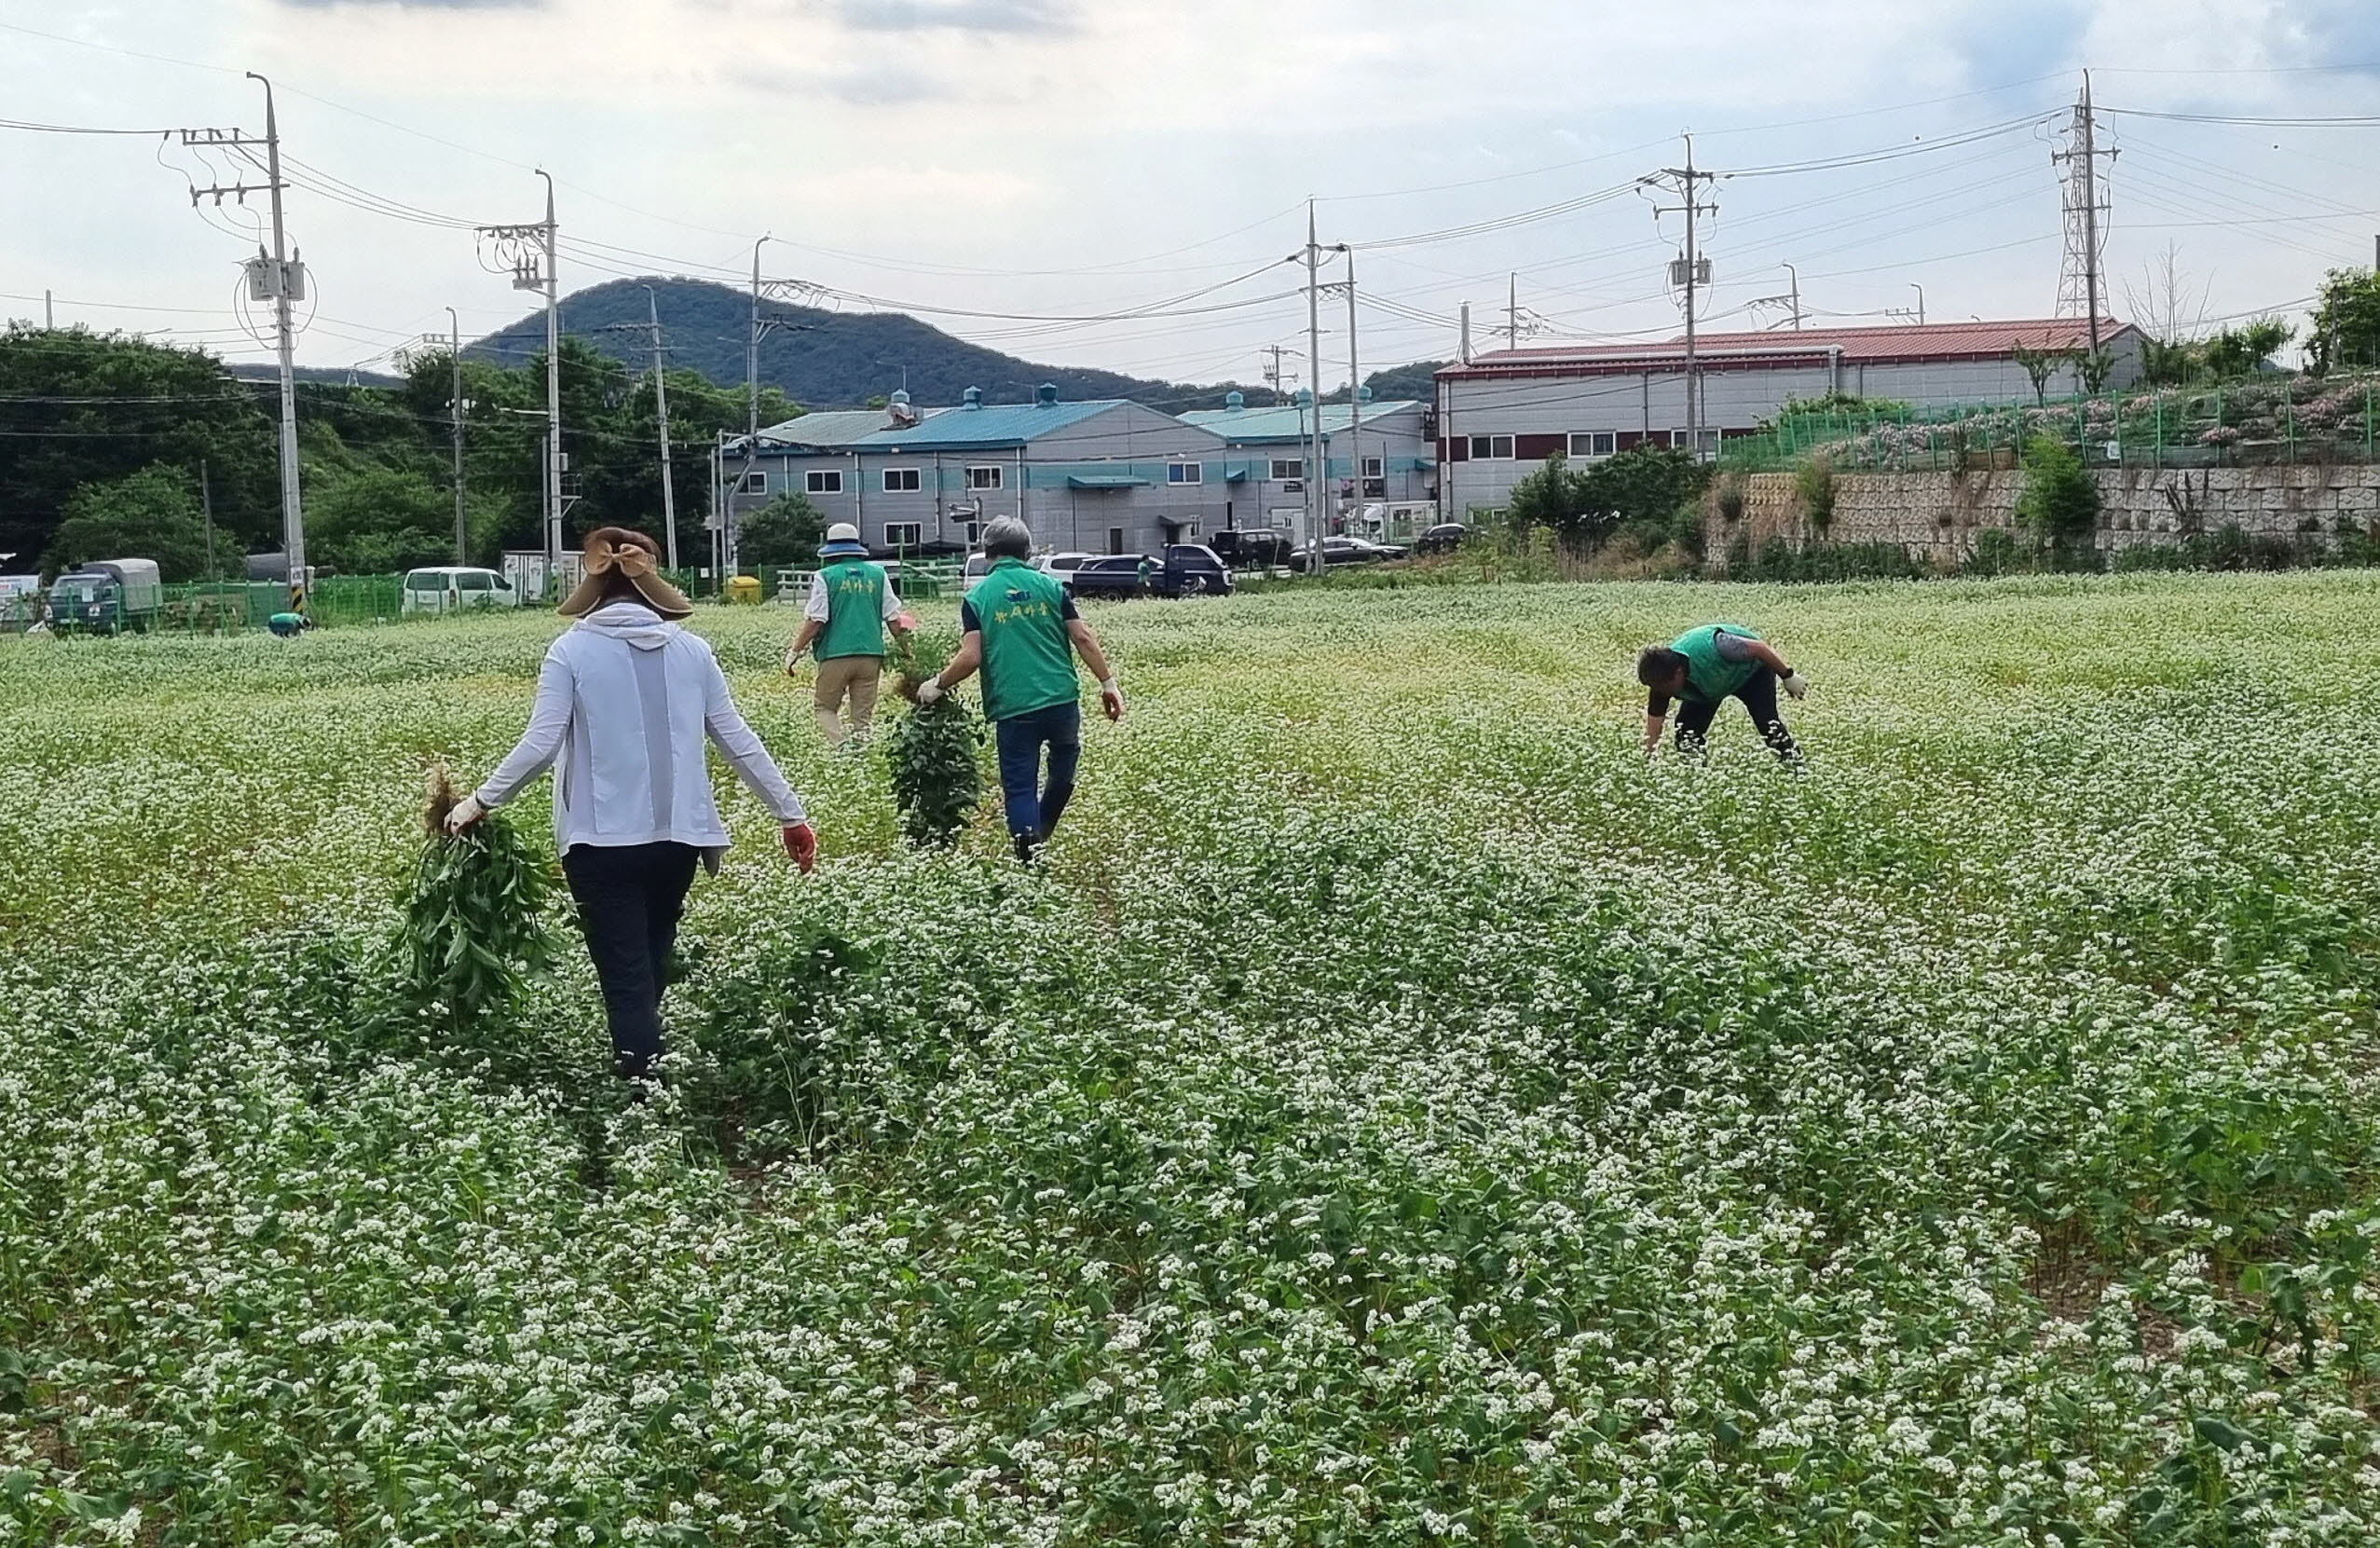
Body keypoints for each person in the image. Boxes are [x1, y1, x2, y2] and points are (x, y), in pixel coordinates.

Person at [445, 527, 817, 1080]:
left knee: (625, 972)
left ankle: (641, 1083)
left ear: (594, 588)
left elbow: (541, 744)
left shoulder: (571, 651)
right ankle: (647, 1061)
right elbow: (737, 738)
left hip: (600, 844)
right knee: (651, 951)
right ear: (653, 583)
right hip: (678, 841)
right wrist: (790, 815)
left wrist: (479, 801)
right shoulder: (693, 651)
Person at [918, 516, 1123, 864]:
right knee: (1063, 768)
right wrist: (1108, 684)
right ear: (1027, 552)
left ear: (987, 553)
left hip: (1014, 707)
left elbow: (970, 657)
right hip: (1061, 700)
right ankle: (1042, 831)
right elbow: (1083, 638)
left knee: (1020, 786)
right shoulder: (1052, 588)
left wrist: (936, 685)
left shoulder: (978, 596)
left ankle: (1030, 853)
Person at [784, 523, 912, 747]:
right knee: (862, 719)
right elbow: (893, 619)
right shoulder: (878, 575)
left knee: (825, 708)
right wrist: (909, 652)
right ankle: (861, 755)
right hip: (871, 655)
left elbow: (816, 620)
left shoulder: (825, 576)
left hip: (835, 654)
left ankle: (842, 748)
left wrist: (795, 651)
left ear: (831, 552)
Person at [1637, 622, 1810, 763]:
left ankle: (1795, 765)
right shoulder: (1660, 681)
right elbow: (1655, 724)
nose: (1663, 692)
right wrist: (1649, 756)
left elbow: (1759, 649)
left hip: (1751, 674)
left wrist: (1787, 675)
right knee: (1687, 732)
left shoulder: (1720, 646)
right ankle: (1696, 772)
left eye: (1666, 687)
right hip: (1710, 687)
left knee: (1768, 725)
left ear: (1678, 673)